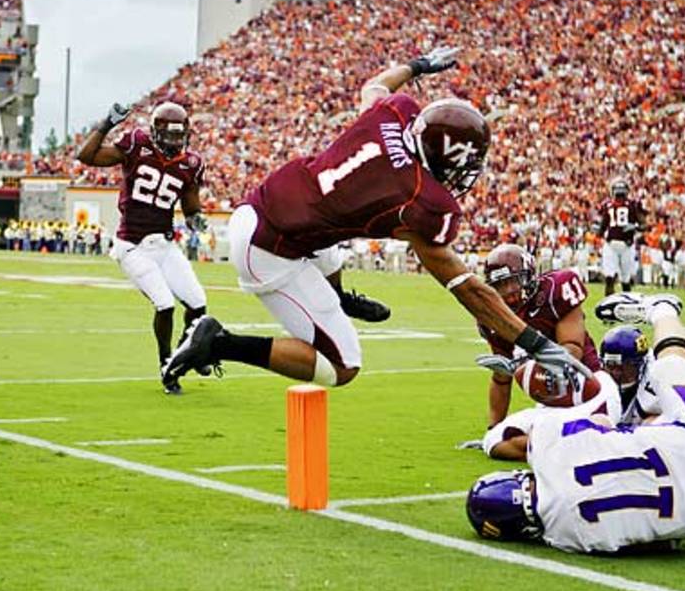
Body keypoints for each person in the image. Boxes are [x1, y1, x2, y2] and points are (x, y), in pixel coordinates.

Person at [163, 47, 587, 390]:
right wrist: (533, 343)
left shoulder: (394, 113)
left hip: (268, 202)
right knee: (343, 365)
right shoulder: (420, 199)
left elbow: (376, 85)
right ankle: (218, 343)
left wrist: (417, 66)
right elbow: (467, 287)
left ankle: (340, 297)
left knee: (333, 235)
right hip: (270, 247)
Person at [466, 293, 685, 554]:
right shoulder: (552, 443)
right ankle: (663, 309)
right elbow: (599, 418)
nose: (618, 373)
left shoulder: (569, 540)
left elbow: (663, 545)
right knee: (669, 369)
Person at [77, 101, 213, 394]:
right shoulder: (137, 145)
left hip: (164, 245)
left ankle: (184, 353)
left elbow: (191, 208)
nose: (175, 142)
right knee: (164, 304)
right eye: (170, 135)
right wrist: (106, 124)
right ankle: (167, 365)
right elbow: (86, 156)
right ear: (155, 132)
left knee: (198, 305)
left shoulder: (191, 164)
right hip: (132, 245)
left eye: (180, 136)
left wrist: (197, 220)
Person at [474, 244, 608, 428]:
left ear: (530, 275)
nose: (509, 291)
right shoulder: (494, 318)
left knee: (567, 438)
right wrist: (493, 428)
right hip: (553, 399)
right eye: (500, 285)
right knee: (497, 442)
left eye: (515, 281)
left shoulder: (555, 289)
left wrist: (519, 365)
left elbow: (572, 351)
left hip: (589, 383)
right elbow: (501, 380)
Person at [595, 178, 644, 295]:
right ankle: (611, 304)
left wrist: (635, 227)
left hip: (624, 245)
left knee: (623, 279)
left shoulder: (610, 205)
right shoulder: (631, 205)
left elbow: (601, 228)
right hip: (614, 245)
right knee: (611, 278)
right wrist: (636, 227)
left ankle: (624, 304)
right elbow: (644, 224)